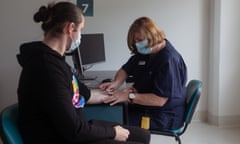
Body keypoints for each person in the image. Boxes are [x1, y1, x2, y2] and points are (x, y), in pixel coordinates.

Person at [16, 2, 150, 144]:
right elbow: (74, 130)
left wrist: (118, 95)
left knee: (142, 135)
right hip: (62, 137)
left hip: (74, 130)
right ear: (70, 28)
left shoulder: (58, 63)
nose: (80, 36)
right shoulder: (46, 69)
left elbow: (85, 94)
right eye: (80, 30)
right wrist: (113, 133)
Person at [100, 17, 187, 131]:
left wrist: (128, 96)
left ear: (152, 36)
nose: (137, 44)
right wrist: (116, 83)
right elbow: (125, 69)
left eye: (139, 40)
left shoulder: (168, 60)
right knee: (111, 112)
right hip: (146, 107)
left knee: (113, 121)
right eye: (135, 41)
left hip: (162, 116)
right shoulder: (146, 51)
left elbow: (159, 100)